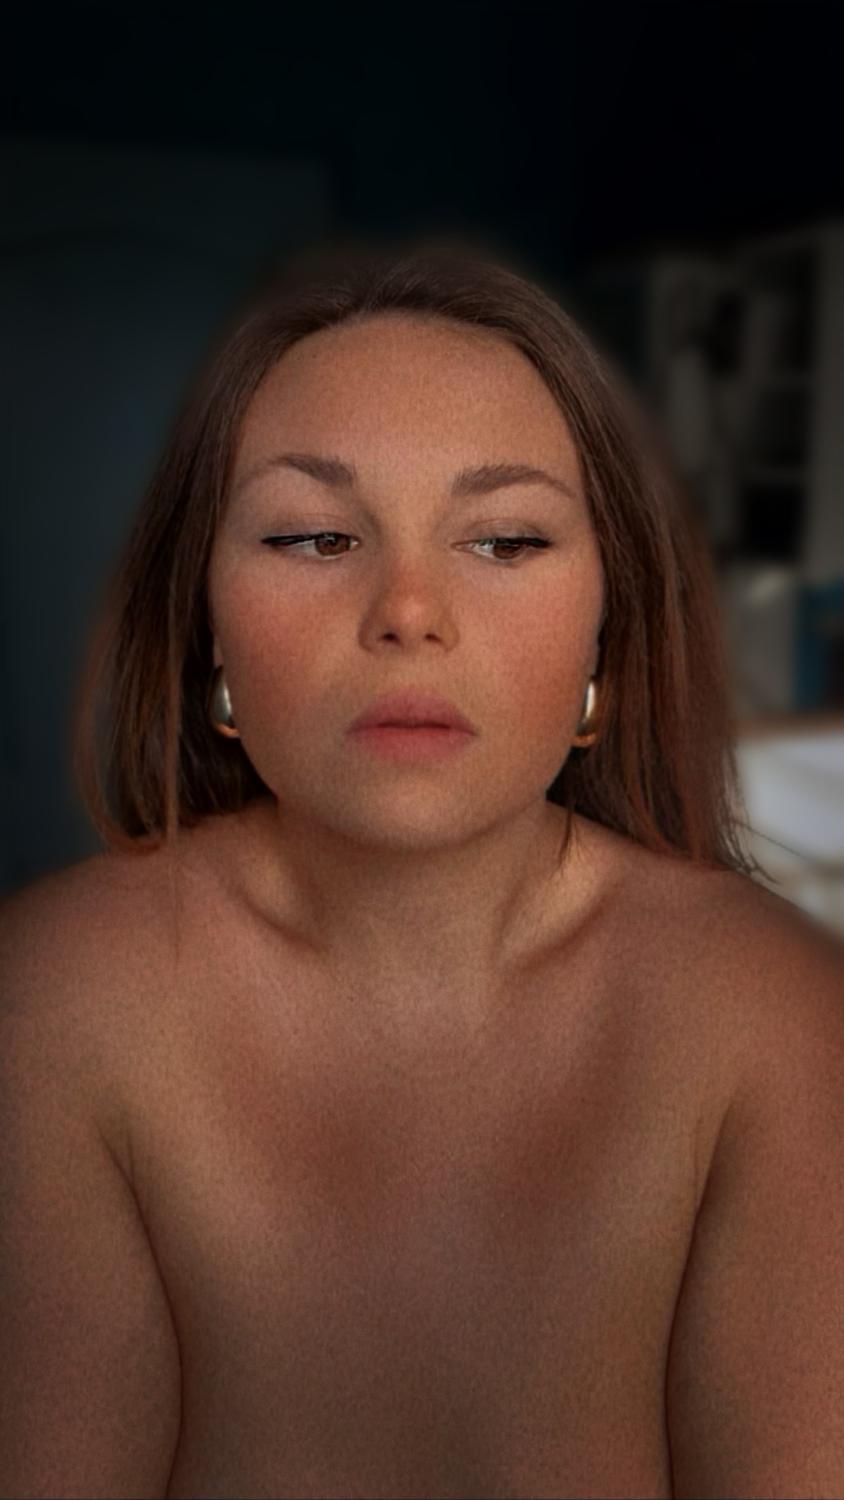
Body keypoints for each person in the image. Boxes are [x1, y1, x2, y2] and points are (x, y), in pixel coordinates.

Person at [2, 235, 843, 1500]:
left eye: (503, 541)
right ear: (207, 624)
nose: (407, 610)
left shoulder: (771, 1015)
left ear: (606, 630)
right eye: (313, 536)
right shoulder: (54, 998)